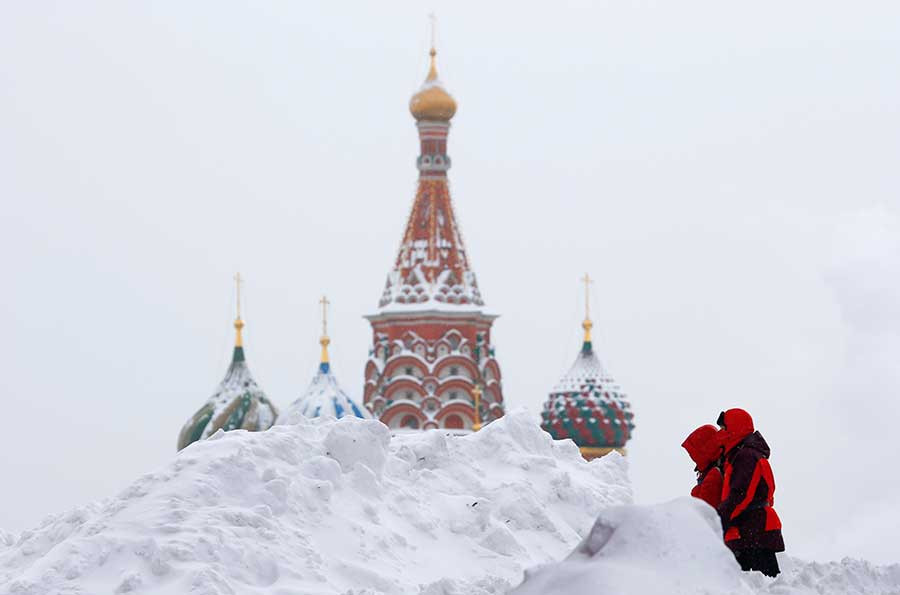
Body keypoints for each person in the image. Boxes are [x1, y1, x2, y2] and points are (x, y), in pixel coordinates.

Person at [716, 408, 785, 577]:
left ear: (735, 429)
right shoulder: (747, 453)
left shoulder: (746, 456)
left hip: (753, 532)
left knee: (756, 586)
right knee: (764, 585)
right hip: (755, 530)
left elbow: (740, 494)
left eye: (724, 428)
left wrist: (718, 520)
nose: (721, 433)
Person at [682, 424, 724, 508]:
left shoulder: (713, 475)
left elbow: (705, 509)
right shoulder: (717, 468)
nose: (692, 457)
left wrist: (695, 492)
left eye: (693, 454)